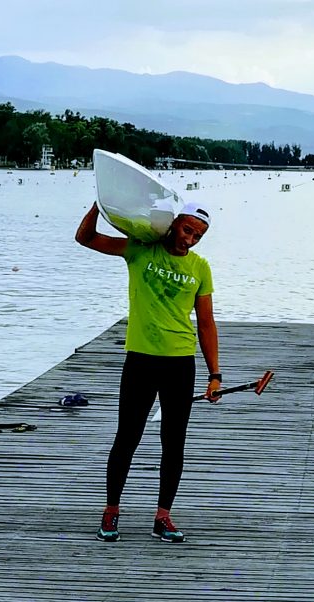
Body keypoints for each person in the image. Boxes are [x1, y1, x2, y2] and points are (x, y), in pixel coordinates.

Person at [75, 200, 221, 544]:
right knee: (127, 436)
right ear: (173, 224)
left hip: (180, 362)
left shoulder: (200, 267)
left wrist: (215, 374)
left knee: (174, 443)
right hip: (141, 358)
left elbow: (206, 322)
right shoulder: (140, 249)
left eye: (198, 236)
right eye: (187, 230)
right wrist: (102, 201)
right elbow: (86, 238)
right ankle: (111, 512)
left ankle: (163, 517)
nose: (191, 240)